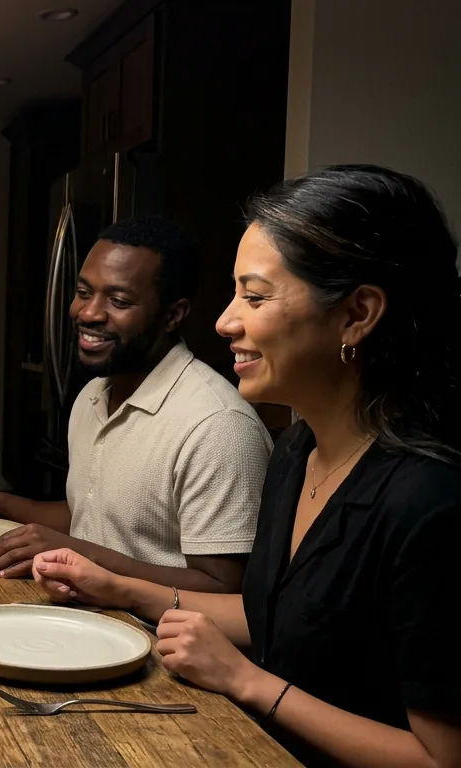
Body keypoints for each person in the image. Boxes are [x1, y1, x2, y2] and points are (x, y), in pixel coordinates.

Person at [30, 166, 461, 767]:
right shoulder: (297, 449)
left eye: (254, 297)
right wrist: (115, 587)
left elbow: (439, 757)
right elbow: (268, 618)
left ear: (357, 314)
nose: (224, 321)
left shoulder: (429, 500)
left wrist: (247, 682)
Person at [0, 217, 272, 591]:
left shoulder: (217, 426)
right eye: (84, 292)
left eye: (118, 301)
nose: (89, 313)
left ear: (173, 315)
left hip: (158, 643)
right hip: (87, 620)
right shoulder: (93, 396)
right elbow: (93, 514)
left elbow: (226, 588)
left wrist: (82, 555)